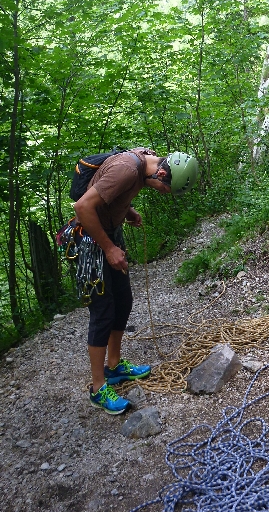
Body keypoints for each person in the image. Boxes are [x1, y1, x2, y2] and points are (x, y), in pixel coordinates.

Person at [73, 148, 198, 414]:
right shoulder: (127, 169)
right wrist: (109, 248)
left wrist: (127, 211)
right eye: (164, 189)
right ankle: (97, 388)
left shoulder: (145, 163)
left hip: (110, 234)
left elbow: (110, 191)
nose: (162, 192)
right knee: (103, 311)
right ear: (162, 172)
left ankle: (115, 366)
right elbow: (82, 206)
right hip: (92, 241)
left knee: (124, 301)